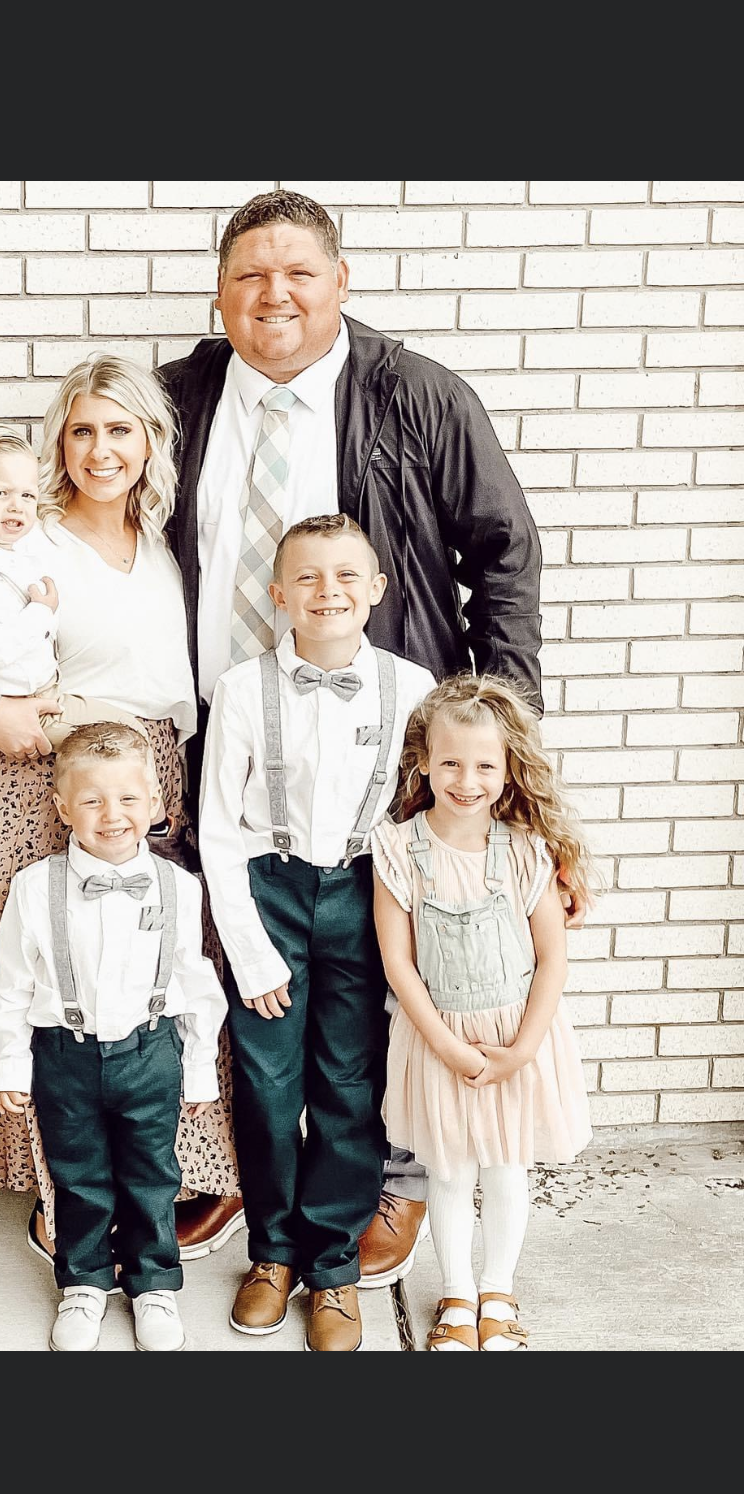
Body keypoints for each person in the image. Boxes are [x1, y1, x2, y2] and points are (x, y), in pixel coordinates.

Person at [162, 185, 579, 1283]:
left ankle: (392, 1179)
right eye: (251, 274)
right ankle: (233, 1171)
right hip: (222, 739)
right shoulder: (176, 401)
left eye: (300, 271)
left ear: (341, 283)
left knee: (388, 979)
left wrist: (501, 754)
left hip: (381, 751)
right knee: (229, 969)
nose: (276, 294)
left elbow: (505, 559)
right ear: (219, 293)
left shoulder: (417, 395)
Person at [0, 353, 238, 1250]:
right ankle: (66, 1198)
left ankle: (177, 1179)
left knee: (154, 985)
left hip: (142, 783)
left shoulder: (170, 543)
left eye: (120, 429)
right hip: (30, 789)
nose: (100, 449)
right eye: (81, 430)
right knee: (43, 996)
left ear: (151, 441)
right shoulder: (27, 536)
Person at [199, 516, 435, 1351]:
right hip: (269, 893)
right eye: (306, 577)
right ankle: (272, 1253)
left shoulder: (411, 687)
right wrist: (249, 949)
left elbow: (430, 808)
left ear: (375, 590)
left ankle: (332, 1267)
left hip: (366, 898)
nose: (327, 591)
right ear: (278, 594)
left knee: (348, 1083)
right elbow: (219, 828)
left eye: (345, 576)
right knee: (267, 1087)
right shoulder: (241, 688)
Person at [0, 723, 228, 1352]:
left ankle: (154, 1286)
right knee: (78, 1174)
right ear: (63, 807)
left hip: (151, 1051)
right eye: (91, 801)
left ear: (155, 802)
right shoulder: (35, 887)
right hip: (64, 1055)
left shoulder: (179, 887)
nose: (111, 815)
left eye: (127, 799)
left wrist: (200, 1067)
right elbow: (9, 983)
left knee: (153, 1174)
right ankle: (84, 1283)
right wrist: (10, 1063)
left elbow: (195, 983)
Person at [371, 673, 593, 1353]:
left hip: (514, 1037)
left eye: (484, 766)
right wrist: (447, 1046)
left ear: (507, 767)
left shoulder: (525, 848)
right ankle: (457, 1294)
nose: (466, 781)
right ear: (423, 762)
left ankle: (498, 1291)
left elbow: (551, 959)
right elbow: (399, 964)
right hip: (437, 1038)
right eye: (450, 763)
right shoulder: (398, 848)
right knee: (447, 1170)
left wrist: (521, 1050)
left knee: (504, 1168)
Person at [0, 421, 148, 746]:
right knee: (130, 735)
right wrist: (40, 613)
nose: (17, 505)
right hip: (24, 706)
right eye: (0, 493)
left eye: (28, 495)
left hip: (28, 694)